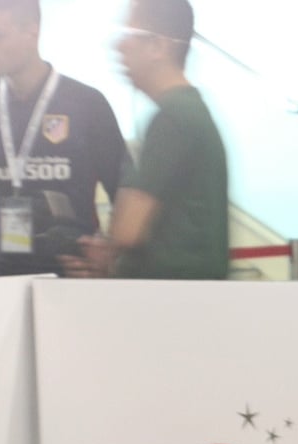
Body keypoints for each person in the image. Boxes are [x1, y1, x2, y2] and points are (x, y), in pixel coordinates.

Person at [60, 0, 229, 279]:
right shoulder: (189, 111)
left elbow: (127, 230)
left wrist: (104, 256)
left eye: (128, 34)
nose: (119, 46)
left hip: (171, 302)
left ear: (158, 47)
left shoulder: (173, 118)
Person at [0, 0, 130, 276]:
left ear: (32, 31)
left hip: (71, 275)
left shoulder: (86, 104)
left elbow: (125, 191)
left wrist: (108, 256)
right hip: (3, 277)